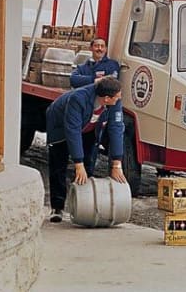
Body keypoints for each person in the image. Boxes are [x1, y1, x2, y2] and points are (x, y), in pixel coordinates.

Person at [45, 76, 126, 222]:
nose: (120, 98)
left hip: (89, 127)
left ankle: (83, 205)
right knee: (58, 164)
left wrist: (116, 163)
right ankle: (57, 207)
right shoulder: (78, 98)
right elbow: (72, 130)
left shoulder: (115, 102)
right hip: (61, 126)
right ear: (107, 98)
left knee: (89, 161)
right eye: (117, 97)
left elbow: (116, 129)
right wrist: (78, 163)